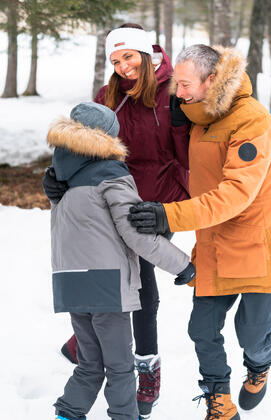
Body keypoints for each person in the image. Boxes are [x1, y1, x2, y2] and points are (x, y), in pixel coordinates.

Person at [128, 44, 271, 420]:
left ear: (212, 80)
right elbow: (146, 148)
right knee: (202, 329)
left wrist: (168, 216)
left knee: (251, 333)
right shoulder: (197, 115)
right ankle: (218, 398)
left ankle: (259, 366)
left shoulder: (251, 121)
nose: (179, 93)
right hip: (215, 241)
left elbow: (235, 195)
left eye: (186, 85)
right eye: (178, 85)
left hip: (257, 243)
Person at [42, 23, 190, 419]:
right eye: (115, 59)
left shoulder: (172, 91)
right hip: (105, 196)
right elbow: (82, 143)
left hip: (155, 202)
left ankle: (144, 366)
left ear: (145, 53)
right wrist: (59, 176)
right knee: (124, 280)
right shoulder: (107, 97)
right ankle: (107, 350)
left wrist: (176, 199)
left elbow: (186, 154)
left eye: (129, 57)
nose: (123, 66)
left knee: (141, 284)